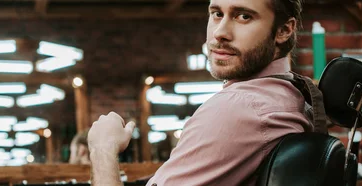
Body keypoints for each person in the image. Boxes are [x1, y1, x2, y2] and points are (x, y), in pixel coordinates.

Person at [87, 0, 318, 185]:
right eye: (217, 13)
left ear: (284, 30)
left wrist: (102, 149)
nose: (220, 32)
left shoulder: (237, 108)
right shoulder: (289, 93)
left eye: (243, 16)